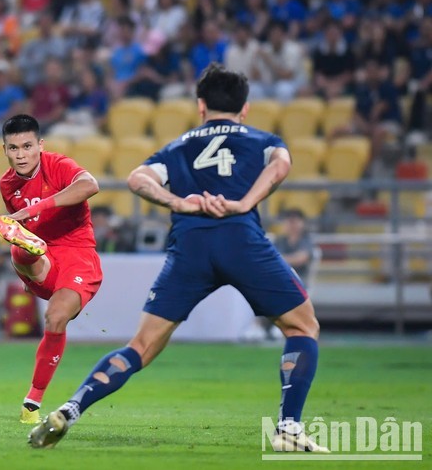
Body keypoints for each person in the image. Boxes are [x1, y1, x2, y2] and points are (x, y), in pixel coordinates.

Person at [28, 64, 329, 454]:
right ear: (245, 108)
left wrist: (177, 202)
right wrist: (243, 203)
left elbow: (137, 178)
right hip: (241, 239)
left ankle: (70, 409)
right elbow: (281, 165)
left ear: (201, 105)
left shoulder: (179, 146)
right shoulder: (261, 139)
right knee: (302, 327)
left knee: (141, 345)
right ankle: (288, 427)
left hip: (190, 247)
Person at [0, 114, 102, 425]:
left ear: (40, 145)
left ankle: (31, 404)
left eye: (27, 146)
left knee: (55, 318)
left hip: (78, 256)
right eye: (13, 148)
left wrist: (32, 209)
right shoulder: (7, 184)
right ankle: (27, 257)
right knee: (18, 247)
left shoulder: (58, 164)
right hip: (43, 264)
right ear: (5, 150)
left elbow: (90, 185)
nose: (21, 154)